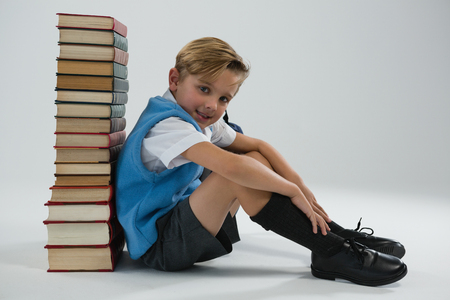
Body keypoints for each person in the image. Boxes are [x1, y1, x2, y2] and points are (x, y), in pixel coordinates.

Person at [116, 37, 407, 286]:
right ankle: (330, 251)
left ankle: (335, 236)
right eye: (204, 89)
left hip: (186, 222)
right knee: (235, 173)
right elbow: (233, 169)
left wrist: (302, 188)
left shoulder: (195, 117)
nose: (212, 106)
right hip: (161, 246)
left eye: (224, 99)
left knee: (252, 157)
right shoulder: (167, 126)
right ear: (175, 79)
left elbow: (258, 147)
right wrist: (291, 192)